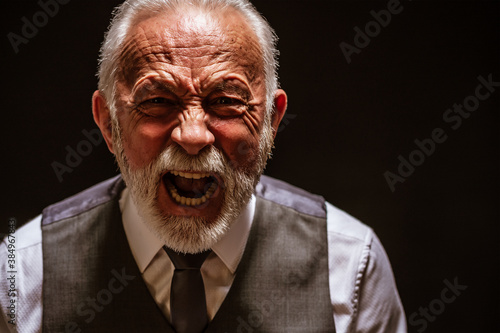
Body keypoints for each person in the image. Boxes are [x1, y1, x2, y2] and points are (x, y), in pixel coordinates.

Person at [0, 0, 406, 332]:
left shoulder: (352, 263)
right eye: (158, 100)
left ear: (271, 120)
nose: (193, 137)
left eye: (226, 101)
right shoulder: (23, 271)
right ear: (108, 124)